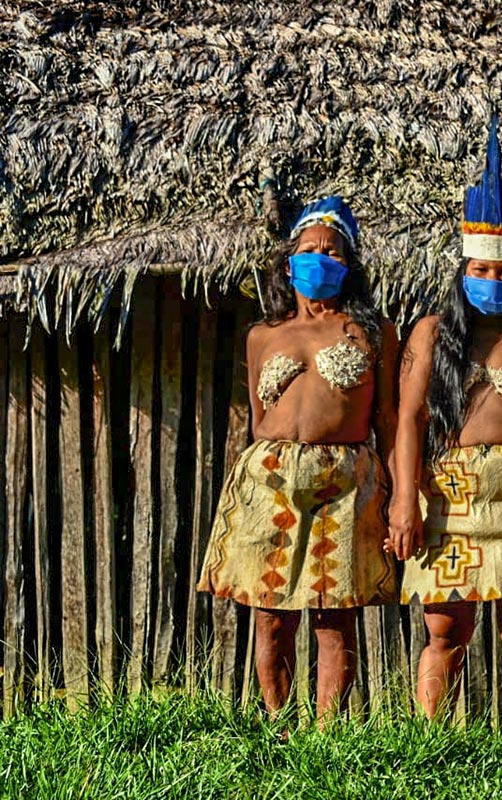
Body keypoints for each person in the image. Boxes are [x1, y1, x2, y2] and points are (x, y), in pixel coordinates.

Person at [389, 117, 502, 736]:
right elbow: (410, 422)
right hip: (450, 499)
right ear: (462, 270)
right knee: (446, 625)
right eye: (483, 271)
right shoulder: (430, 335)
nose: (494, 282)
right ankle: (430, 740)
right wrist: (404, 499)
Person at [198, 196, 401, 722]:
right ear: (288, 263)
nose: (319, 258)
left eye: (331, 250)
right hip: (269, 479)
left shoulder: (373, 332)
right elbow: (258, 412)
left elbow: (388, 419)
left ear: (349, 265)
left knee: (336, 617)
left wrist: (402, 493)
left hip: (347, 479)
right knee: (271, 616)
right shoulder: (263, 334)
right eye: (308, 249)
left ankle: (328, 738)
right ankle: (279, 729)